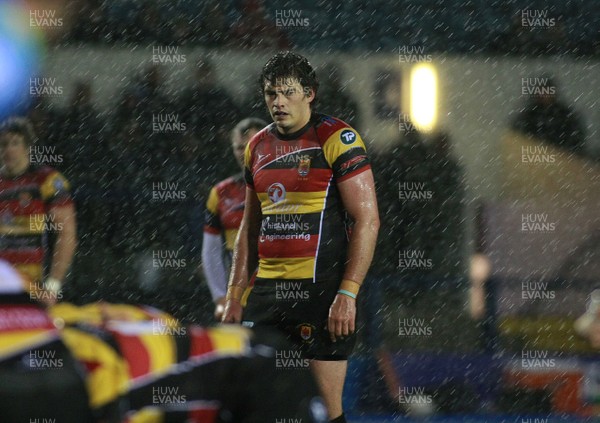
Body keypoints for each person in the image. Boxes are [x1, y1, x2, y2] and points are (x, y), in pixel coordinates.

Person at [222, 51, 380, 423]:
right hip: (265, 296)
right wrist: (233, 295)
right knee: (253, 405)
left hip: (321, 295)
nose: (277, 102)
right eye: (270, 94)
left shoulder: (337, 138)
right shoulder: (257, 147)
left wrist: (348, 292)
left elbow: (367, 219)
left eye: (287, 92)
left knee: (326, 409)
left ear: (309, 93)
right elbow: (249, 226)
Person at [0, 117, 77, 304]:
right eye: (3, 144)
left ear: (27, 148)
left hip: (32, 288)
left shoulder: (47, 181)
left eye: (15, 143)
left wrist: (52, 287)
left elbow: (67, 235)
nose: (8, 149)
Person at [202, 117, 266, 320]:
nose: (244, 153)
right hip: (238, 299)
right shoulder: (221, 193)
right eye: (239, 147)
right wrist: (220, 297)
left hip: (278, 295)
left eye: (251, 146)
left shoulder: (292, 188)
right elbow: (211, 252)